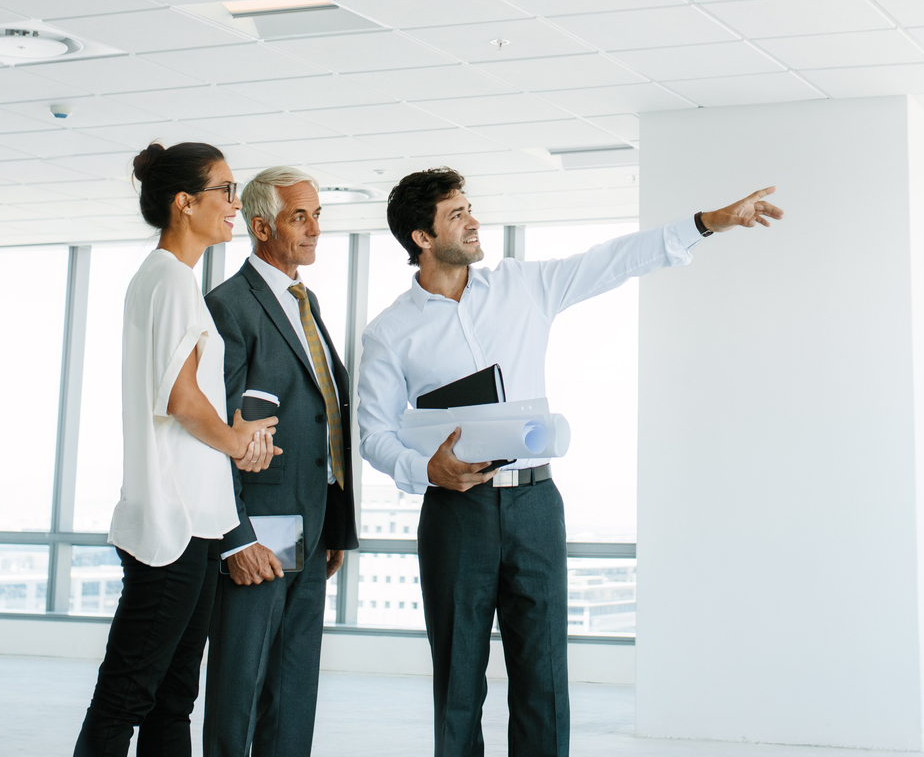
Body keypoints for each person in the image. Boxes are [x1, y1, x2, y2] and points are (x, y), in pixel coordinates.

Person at [357, 168, 782, 757]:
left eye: (470, 208)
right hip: (457, 511)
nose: (474, 221)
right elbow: (374, 435)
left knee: (543, 676)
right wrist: (426, 470)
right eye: (456, 215)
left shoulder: (522, 286)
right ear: (421, 238)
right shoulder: (389, 332)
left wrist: (707, 223)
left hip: (534, 503)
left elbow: (614, 259)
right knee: (458, 680)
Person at [73, 142, 282, 757]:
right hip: (172, 527)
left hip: (196, 522)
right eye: (224, 190)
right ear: (184, 203)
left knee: (171, 699)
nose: (234, 205)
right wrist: (238, 441)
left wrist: (236, 437)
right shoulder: (167, 279)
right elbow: (181, 398)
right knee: (128, 696)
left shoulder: (175, 281)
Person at [202, 167, 357, 757]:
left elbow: (322, 416)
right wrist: (235, 537)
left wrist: (333, 522)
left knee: (294, 690)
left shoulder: (304, 299)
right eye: (301, 217)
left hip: (311, 528)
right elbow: (213, 434)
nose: (315, 229)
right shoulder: (229, 306)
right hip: (257, 532)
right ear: (260, 225)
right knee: (240, 690)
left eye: (318, 215)